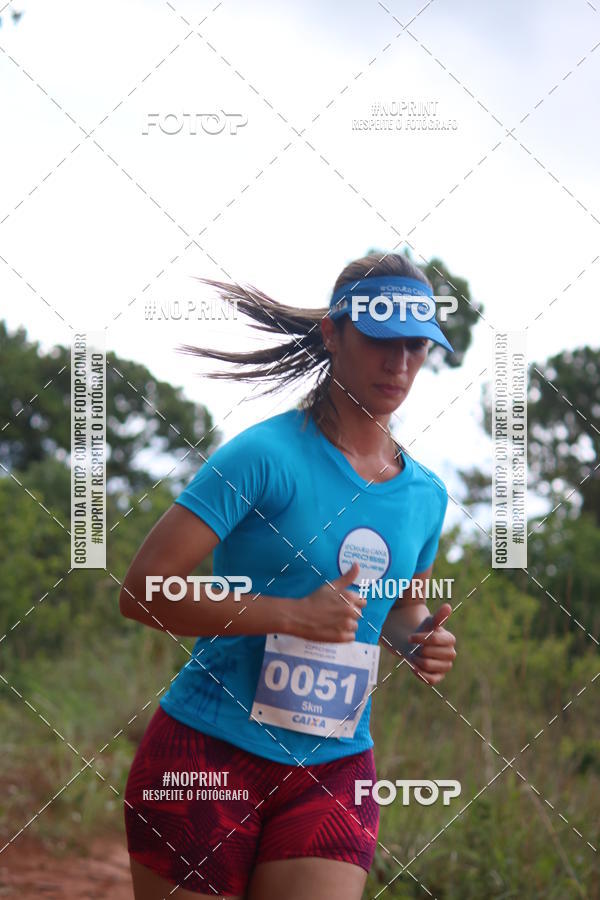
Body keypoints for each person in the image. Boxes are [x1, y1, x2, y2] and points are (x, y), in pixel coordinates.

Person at [120, 251, 458, 900]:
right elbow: (143, 591)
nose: (400, 363)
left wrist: (419, 640)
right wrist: (291, 615)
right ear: (333, 334)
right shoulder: (263, 456)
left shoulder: (426, 495)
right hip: (208, 752)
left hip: (334, 767)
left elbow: (400, 608)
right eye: (381, 340)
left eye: (416, 346)